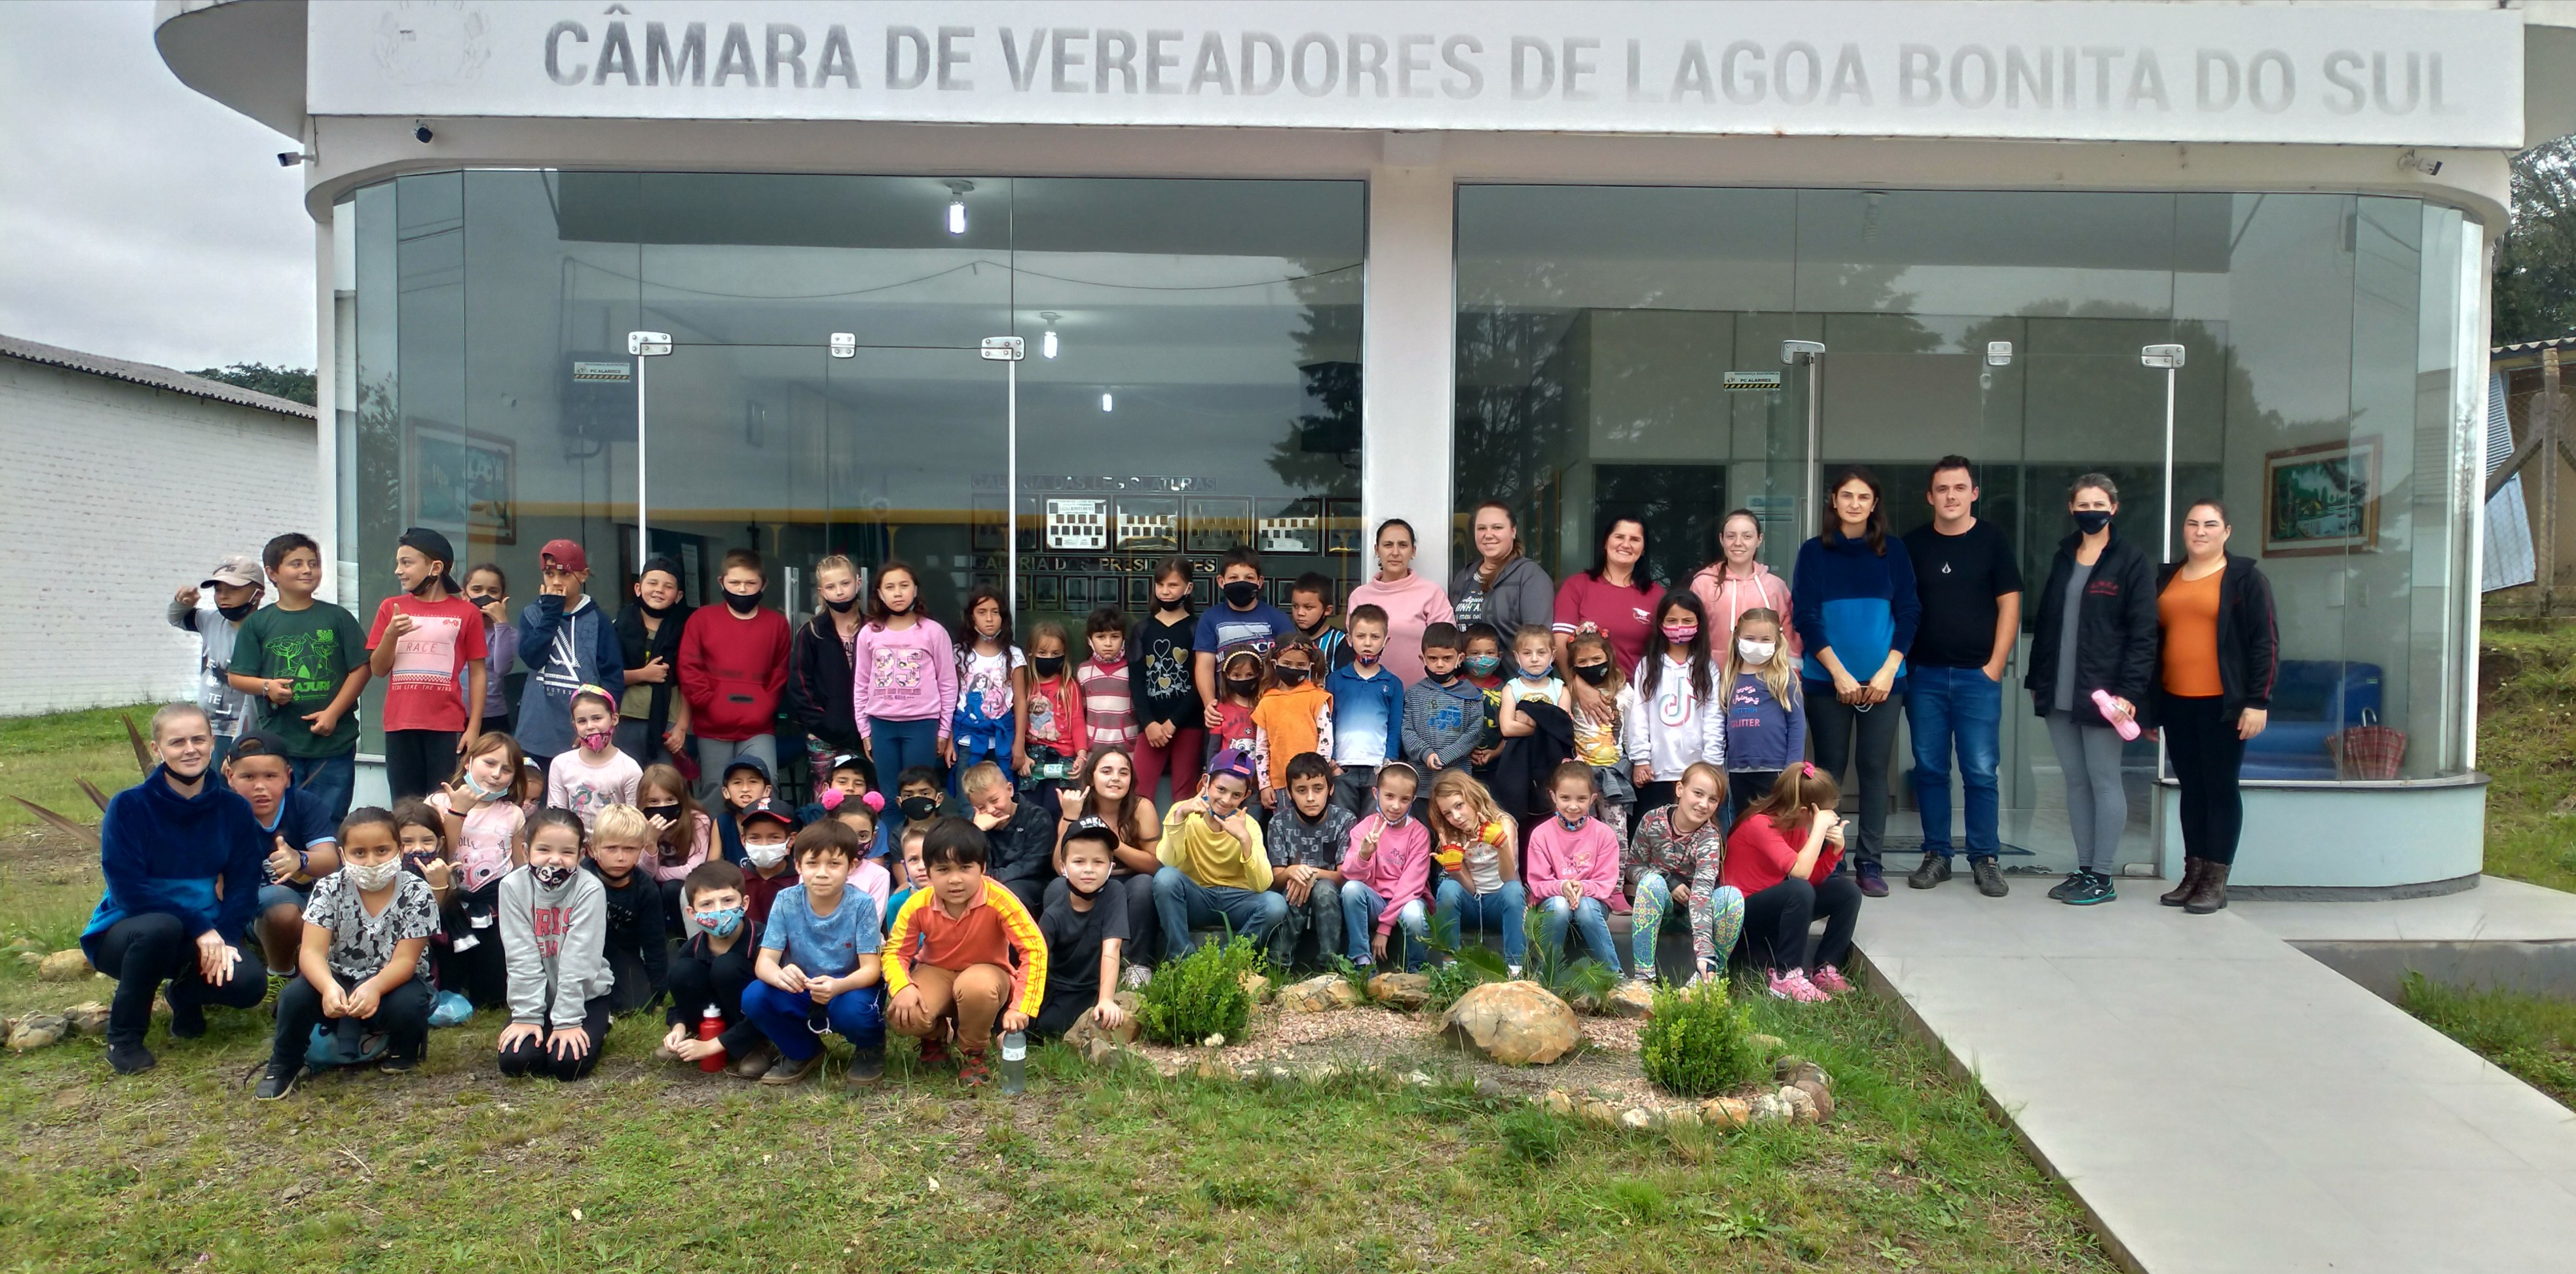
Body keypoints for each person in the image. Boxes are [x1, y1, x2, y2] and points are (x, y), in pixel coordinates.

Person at [81, 705, 269, 1076]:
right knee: (161, 927)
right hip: (129, 930)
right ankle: (125, 1037)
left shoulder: (233, 809)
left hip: (206, 935)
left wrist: (228, 937)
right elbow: (128, 890)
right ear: (157, 749)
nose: (190, 749)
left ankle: (183, 995)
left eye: (198, 739)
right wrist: (200, 926)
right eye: (177, 741)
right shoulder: (130, 806)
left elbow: (244, 882)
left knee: (249, 984)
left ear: (213, 743)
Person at [2023, 474, 2157, 907]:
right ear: (2071, 508)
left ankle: (2103, 874)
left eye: (2098, 503)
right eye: (2082, 504)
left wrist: (2130, 691)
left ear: (2114, 507)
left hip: (2105, 695)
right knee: (2075, 782)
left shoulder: (2131, 561)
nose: (2090, 511)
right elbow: (2046, 621)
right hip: (2058, 690)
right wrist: (2034, 680)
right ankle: (2082, 869)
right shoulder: (2064, 555)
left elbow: (2142, 634)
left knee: (2103, 780)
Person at [1793, 466, 1921, 898]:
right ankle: (1830, 860)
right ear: (1833, 500)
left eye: (1862, 496)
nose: (1853, 503)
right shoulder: (1814, 552)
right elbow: (1805, 617)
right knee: (1828, 773)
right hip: (1827, 680)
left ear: (1873, 503)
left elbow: (1909, 612)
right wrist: (1839, 673)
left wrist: (1886, 671)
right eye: (1846, 495)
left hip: (1885, 683)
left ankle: (1869, 861)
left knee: (1872, 770)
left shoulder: (1894, 551)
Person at [2148, 499, 2277, 915]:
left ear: (2227, 532)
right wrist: (2149, 707)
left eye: (2210, 524)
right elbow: (2152, 645)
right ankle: (2194, 875)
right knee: (2192, 790)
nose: (2200, 531)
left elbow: (2265, 644)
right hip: (2177, 702)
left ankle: (2216, 882)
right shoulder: (2167, 578)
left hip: (2224, 705)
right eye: (2192, 524)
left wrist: (2258, 702)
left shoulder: (2245, 580)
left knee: (2219, 789)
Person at [1902, 459, 2024, 898]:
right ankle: (1937, 854)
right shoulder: (1912, 544)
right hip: (1924, 676)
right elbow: (1900, 607)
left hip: (1977, 675)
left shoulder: (1992, 540)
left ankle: (1985, 858)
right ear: (1929, 496)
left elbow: (2010, 604)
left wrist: (1995, 664)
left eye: (1959, 487)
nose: (1950, 495)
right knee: (1930, 769)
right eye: (1941, 488)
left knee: (1979, 770)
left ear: (1974, 492)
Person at [257, 807, 440, 1098]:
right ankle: (284, 1063)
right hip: (338, 977)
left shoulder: (418, 892)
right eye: (359, 853)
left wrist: (374, 987)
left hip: (393, 982)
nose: (371, 862)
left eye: (382, 850)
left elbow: (406, 961)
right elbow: (311, 954)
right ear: (343, 856)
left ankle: (404, 1049)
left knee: (410, 1002)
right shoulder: (328, 888)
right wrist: (329, 987)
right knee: (294, 996)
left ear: (399, 849)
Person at [884, 816, 1049, 1088]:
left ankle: (973, 1052)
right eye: (943, 869)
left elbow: (1034, 948)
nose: (955, 879)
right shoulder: (916, 904)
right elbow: (894, 953)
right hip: (936, 972)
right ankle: (936, 1036)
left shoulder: (1000, 899)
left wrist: (1022, 1007)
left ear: (982, 868)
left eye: (965, 867)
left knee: (977, 987)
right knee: (902, 1014)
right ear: (929, 870)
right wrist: (902, 987)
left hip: (985, 977)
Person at [227, 532, 369, 823]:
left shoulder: (338, 618)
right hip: (280, 744)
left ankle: (323, 867)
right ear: (272, 573)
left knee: (329, 818)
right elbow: (238, 677)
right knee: (284, 819)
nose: (307, 570)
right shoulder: (258, 622)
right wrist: (267, 687)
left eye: (313, 564)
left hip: (335, 743)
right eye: (296, 564)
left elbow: (361, 669)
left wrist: (332, 713)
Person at [743, 820, 887, 1087]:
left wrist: (839, 985)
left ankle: (870, 1047)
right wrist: (780, 976)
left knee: (855, 1011)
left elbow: (871, 969)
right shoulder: (786, 900)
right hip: (804, 986)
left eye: (834, 864)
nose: (822, 873)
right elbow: (765, 963)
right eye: (812, 863)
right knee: (755, 995)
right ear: (798, 865)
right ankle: (804, 1051)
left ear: (851, 867)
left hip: (848, 987)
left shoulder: (862, 905)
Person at [366, 528, 489, 800]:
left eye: (407, 563)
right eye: (398, 563)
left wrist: (474, 727)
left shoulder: (466, 612)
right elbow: (378, 668)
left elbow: (479, 672)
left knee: (443, 801)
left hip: (446, 724)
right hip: (400, 722)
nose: (399, 570)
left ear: (436, 568)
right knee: (404, 803)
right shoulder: (391, 607)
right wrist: (391, 634)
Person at [1723, 764, 1863, 1002]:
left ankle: (1824, 969)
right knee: (1798, 890)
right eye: (1824, 816)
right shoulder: (1760, 825)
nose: (1829, 822)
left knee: (1847, 891)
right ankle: (1786, 976)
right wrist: (1819, 830)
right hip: (1741, 918)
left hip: (1773, 911)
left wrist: (1835, 851)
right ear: (1804, 811)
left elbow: (1810, 878)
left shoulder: (1795, 826)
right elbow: (1800, 874)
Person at [496, 808, 614, 1081]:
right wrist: (527, 1016)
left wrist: (568, 1021)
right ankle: (542, 1021)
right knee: (517, 1061)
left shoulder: (590, 889)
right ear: (526, 852)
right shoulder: (512, 887)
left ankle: (600, 1022)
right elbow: (520, 954)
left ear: (581, 856)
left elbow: (579, 959)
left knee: (567, 1065)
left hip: (585, 995)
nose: (555, 860)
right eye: (544, 849)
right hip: (539, 995)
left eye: (567, 852)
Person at [226, 729, 343, 975]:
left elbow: (330, 860)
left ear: (288, 777)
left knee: (290, 906)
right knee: (279, 904)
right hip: (246, 911)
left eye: (271, 776)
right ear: (230, 777)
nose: (260, 786)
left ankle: (293, 966)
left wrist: (299, 859)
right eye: (248, 777)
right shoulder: (221, 813)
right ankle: (279, 970)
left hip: (308, 906)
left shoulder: (305, 804)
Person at [1154, 749, 1290, 959]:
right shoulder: (1182, 811)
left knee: (1275, 904)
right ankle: (1181, 958)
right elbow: (1168, 862)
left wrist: (1244, 841)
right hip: (1197, 896)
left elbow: (1262, 885)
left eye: (1236, 795)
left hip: (1237, 901)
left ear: (1245, 796)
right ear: (1206, 782)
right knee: (1165, 879)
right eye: (1221, 789)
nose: (1226, 800)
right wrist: (1180, 818)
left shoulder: (1249, 825)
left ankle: (1227, 961)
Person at [680, 548, 792, 796]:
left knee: (765, 784)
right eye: (735, 582)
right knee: (714, 788)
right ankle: (715, 837)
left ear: (764, 585)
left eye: (750, 583)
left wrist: (763, 707)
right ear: (722, 582)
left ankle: (763, 836)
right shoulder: (702, 619)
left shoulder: (777, 624)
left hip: (758, 726)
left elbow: (780, 671)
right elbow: (689, 667)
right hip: (712, 725)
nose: (742, 589)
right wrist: (708, 703)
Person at [429, 732, 528, 1009]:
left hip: (491, 909)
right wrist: (458, 812)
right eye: (489, 762)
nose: (496, 774)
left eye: (506, 769)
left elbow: (521, 868)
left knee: (492, 997)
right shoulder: (438, 803)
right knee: (447, 985)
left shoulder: (513, 814)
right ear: (469, 761)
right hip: (446, 906)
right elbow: (440, 855)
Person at [1624, 763, 1745, 986]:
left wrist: (1704, 953)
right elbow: (1632, 867)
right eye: (1698, 793)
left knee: (1732, 898)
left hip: (1695, 917)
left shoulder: (1710, 837)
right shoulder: (1652, 821)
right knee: (1652, 883)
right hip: (1660, 911)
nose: (1703, 804)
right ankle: (1644, 979)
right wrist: (1667, 880)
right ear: (1680, 790)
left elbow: (1701, 895)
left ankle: (1705, 979)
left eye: (1712, 799)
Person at [513, 538, 626, 777]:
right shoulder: (533, 614)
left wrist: (596, 726)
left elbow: (612, 677)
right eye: (549, 573)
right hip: (537, 731)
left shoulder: (598, 621)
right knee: (537, 801)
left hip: (582, 732)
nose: (556, 582)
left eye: (565, 575)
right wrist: (551, 611)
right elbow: (533, 658)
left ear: (583, 576)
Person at [851, 559, 958, 800]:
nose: (897, 593)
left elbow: (948, 684)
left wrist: (943, 730)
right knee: (889, 795)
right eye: (889, 587)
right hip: (881, 724)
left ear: (915, 590)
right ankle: (893, 839)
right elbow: (861, 684)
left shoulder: (933, 632)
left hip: (922, 724)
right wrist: (865, 730)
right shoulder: (869, 633)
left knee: (919, 794)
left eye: (904, 585)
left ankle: (921, 839)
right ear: (879, 593)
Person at [1054, 747, 1163, 979]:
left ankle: (1139, 965)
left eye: (1124, 773)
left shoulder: (1141, 807)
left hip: (1129, 879)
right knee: (1055, 888)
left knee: (1144, 885)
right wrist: (1069, 818)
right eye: (1106, 771)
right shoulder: (1079, 805)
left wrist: (1111, 841)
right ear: (1091, 777)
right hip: (1088, 881)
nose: (1116, 778)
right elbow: (1058, 867)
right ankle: (1066, 965)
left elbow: (1155, 865)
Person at [660, 860, 773, 1079]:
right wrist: (678, 1027)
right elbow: (679, 1004)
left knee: (727, 967)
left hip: (758, 1021)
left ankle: (757, 1045)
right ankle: (701, 1039)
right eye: (707, 905)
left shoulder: (764, 940)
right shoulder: (691, 948)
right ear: (692, 913)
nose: (719, 910)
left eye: (728, 900)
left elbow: (771, 1002)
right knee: (682, 970)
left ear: (745, 903)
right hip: (714, 1019)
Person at [1553, 515, 1665, 728]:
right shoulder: (1578, 586)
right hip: (1582, 702)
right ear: (1606, 542)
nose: (1626, 544)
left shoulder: (1656, 595)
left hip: (1636, 703)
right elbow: (1559, 644)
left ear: (1643, 549)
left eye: (1635, 539)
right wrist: (1578, 687)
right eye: (1619, 536)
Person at [1623, 594, 1723, 829]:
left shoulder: (1707, 667)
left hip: (1696, 772)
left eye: (1688, 621)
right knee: (1653, 833)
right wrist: (1640, 759)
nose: (1680, 627)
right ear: (1660, 624)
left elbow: (1713, 718)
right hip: (1656, 772)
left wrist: (1711, 764)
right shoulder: (1649, 665)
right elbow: (1638, 715)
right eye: (1672, 620)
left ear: (1699, 624)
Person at [1034, 819, 1133, 1040]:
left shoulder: (1114, 892)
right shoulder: (1054, 915)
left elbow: (1112, 946)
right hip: (1060, 987)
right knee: (1044, 1026)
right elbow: (1035, 958)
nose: (1089, 870)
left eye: (1098, 862)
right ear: (1063, 867)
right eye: (1079, 861)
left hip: (1094, 986)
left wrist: (1106, 999)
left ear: (1111, 868)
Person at [1525, 760, 1626, 973]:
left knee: (1586, 907)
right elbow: (1538, 882)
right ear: (1553, 796)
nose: (1573, 806)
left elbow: (1606, 882)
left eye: (1581, 799)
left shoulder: (1604, 834)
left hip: (1593, 902)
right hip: (1553, 902)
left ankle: (1614, 976)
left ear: (1593, 799)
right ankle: (1545, 975)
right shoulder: (1541, 834)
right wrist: (1562, 887)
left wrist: (1584, 889)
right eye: (1565, 798)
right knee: (1560, 907)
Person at [169, 552, 265, 771]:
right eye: (219, 590)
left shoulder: (266, 628)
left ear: (257, 593)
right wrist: (181, 603)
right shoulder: (210, 620)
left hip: (244, 728)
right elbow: (175, 618)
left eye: (233, 589)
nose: (223, 596)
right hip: (207, 727)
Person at [1425, 770, 1525, 975]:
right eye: (1448, 813)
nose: (1457, 817)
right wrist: (1456, 871)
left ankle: (1515, 970)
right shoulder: (1451, 833)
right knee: (1448, 887)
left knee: (1514, 890)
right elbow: (1469, 888)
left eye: (1459, 805)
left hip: (1501, 902)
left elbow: (1508, 879)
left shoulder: (1503, 823)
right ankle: (1450, 968)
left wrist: (1502, 845)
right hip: (1473, 903)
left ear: (1473, 797)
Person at [1192, 545, 1297, 735]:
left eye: (1249, 578)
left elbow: (1291, 660)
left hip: (1270, 708)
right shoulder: (1211, 618)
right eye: (1234, 578)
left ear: (1260, 582)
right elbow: (1204, 666)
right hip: (1226, 712)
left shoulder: (1277, 618)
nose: (1241, 582)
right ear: (1221, 581)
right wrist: (1210, 705)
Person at [1337, 761, 1431, 970]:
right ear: (1375, 793)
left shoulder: (1419, 834)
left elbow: (1411, 886)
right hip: (1376, 901)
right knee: (1351, 890)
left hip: (1406, 902)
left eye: (1404, 799)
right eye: (1389, 796)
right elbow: (1350, 874)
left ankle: (1418, 970)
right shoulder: (1365, 828)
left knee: (1415, 914)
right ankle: (1362, 961)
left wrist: (1384, 928)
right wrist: (1364, 855)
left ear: (1413, 800)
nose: (1396, 806)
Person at [1263, 753, 1353, 969]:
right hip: (1291, 892)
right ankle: (1278, 965)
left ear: (1330, 789)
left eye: (1318, 789)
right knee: (1296, 885)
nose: (1311, 798)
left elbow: (1345, 876)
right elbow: (1275, 879)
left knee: (1323, 889)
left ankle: (1329, 965)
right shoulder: (1278, 824)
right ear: (1290, 793)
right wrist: (1293, 872)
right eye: (1302, 790)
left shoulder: (1345, 820)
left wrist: (1311, 874)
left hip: (1330, 893)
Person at [1128, 558, 1205, 806]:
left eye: (1173, 585)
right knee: (1138, 794)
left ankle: (1183, 845)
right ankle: (1140, 843)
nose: (1165, 591)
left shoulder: (1197, 628)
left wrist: (1173, 723)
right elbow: (1137, 682)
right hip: (1150, 726)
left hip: (1188, 723)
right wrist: (1149, 723)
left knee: (1185, 796)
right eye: (1160, 584)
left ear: (1189, 588)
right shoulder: (1142, 629)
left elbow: (1199, 683)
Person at [1720, 608, 1808, 814]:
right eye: (1750, 638)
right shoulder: (1729, 678)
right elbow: (1723, 725)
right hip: (1737, 769)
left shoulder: (1783, 678)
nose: (1757, 645)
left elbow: (1797, 723)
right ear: (1737, 638)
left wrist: (1792, 767)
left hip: (1774, 769)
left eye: (1765, 639)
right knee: (1743, 823)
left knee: (1774, 823)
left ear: (1777, 641)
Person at [1347, 518, 1455, 685]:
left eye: (1403, 545)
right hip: (1371, 696)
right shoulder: (1359, 597)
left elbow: (1447, 647)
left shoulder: (1432, 593)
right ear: (1377, 550)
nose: (1395, 552)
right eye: (1388, 545)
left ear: (1413, 551)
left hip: (1423, 698)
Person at [583, 804, 669, 1013]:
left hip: (622, 952)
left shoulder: (645, 889)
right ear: (594, 849)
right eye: (611, 848)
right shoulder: (580, 879)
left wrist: (658, 990)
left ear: (640, 850)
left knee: (636, 1007)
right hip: (581, 951)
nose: (621, 857)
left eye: (629, 849)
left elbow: (654, 943)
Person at [789, 553, 864, 791]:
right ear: (822, 591)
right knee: (826, 797)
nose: (840, 591)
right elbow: (800, 684)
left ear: (858, 583)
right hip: (824, 736)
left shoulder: (874, 628)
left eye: (845, 583)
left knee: (865, 795)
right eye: (831, 587)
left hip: (868, 735)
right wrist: (823, 722)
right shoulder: (811, 632)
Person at [1687, 509, 1801, 663]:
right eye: (1731, 536)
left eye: (1747, 536)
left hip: (1764, 681)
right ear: (1721, 540)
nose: (1738, 542)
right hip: (1713, 679)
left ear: (1759, 540)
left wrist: (1790, 679)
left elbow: (1790, 642)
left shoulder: (1775, 587)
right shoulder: (1703, 584)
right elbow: (1692, 636)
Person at [1324, 604, 1407, 815]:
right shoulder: (1335, 680)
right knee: (1343, 827)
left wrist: (1388, 762)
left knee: (1374, 830)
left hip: (1378, 770)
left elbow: (1395, 728)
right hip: (1342, 768)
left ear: (1386, 641)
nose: (1368, 643)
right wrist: (1332, 761)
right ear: (1350, 640)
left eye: (1375, 637)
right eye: (1361, 636)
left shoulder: (1394, 683)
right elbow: (1328, 723)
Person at [612, 556, 691, 770]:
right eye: (652, 583)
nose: (659, 590)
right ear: (638, 588)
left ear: (678, 595)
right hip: (623, 719)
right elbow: (606, 677)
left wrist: (682, 727)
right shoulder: (618, 627)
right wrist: (643, 674)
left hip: (668, 722)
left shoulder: (687, 631)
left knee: (665, 786)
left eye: (668, 586)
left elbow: (690, 684)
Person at [950, 584, 1028, 802]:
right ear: (971, 617)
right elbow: (952, 697)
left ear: (1003, 617)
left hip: (1002, 741)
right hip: (967, 739)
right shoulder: (960, 654)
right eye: (982, 612)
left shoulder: (1014, 654)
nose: (990, 619)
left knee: (1002, 799)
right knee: (968, 800)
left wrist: (1019, 743)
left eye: (995, 612)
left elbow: (1021, 700)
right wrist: (949, 740)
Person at [1565, 631, 1638, 837]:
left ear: (1609, 658)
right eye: (1583, 661)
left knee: (1617, 833)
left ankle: (1616, 870)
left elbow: (1629, 734)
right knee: (1582, 832)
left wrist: (1636, 762)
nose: (1590, 665)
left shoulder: (1625, 692)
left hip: (1613, 774)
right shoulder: (1570, 692)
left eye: (1597, 659)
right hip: (1581, 775)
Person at [963, 760, 1059, 914]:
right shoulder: (976, 826)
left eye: (995, 800)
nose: (991, 809)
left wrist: (993, 878)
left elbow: (1035, 863)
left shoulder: (1037, 817)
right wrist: (978, 833)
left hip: (1032, 883)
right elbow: (973, 865)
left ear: (1010, 789)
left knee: (1008, 894)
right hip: (989, 883)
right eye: (981, 807)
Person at [1250, 641, 1332, 817]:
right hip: (1280, 784)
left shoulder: (1317, 697)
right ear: (1274, 664)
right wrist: (1265, 785)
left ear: (1309, 666)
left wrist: (1320, 775)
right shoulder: (1267, 701)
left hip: (1313, 782)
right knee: (1284, 830)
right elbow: (1262, 747)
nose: (1293, 668)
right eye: (1287, 664)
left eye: (1300, 665)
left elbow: (1326, 739)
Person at [1448, 500, 1554, 635]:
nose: (1488, 535)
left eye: (1497, 528)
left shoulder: (1530, 576)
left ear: (1513, 531)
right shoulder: (1464, 577)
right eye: (1481, 528)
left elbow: (1537, 640)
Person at [546, 686, 642, 829]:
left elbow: (634, 823)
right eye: (582, 721)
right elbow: (556, 819)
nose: (590, 726)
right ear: (575, 726)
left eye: (597, 718)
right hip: (573, 847)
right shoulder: (561, 764)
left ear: (614, 719)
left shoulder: (630, 769)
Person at [1402, 622, 1484, 781]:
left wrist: (1445, 756)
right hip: (1421, 781)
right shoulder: (1414, 694)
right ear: (1423, 658)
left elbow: (1475, 733)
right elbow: (1407, 731)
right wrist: (1426, 754)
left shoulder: (1471, 694)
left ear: (1460, 659)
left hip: (1457, 779)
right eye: (1433, 658)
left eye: (1447, 658)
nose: (1440, 664)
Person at [637, 762, 713, 930]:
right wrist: (651, 842)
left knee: (673, 889)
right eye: (654, 802)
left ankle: (682, 939)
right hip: (653, 884)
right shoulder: (639, 823)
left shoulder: (698, 821)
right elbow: (643, 874)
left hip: (685, 884)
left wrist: (658, 873)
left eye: (670, 800)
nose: (663, 807)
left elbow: (692, 870)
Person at [463, 565, 520, 735]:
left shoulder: (509, 633)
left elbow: (502, 668)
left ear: (502, 597)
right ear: (464, 595)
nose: (484, 596)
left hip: (493, 715)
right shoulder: (455, 628)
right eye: (477, 589)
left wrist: (501, 623)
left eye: (492, 591)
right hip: (456, 713)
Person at [1077, 607, 1138, 753]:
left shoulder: (1133, 670)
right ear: (1089, 640)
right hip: (1094, 750)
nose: (1108, 643)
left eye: (1115, 636)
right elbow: (1080, 713)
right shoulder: (1083, 671)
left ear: (1124, 639)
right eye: (1101, 637)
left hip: (1128, 749)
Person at [734, 797, 803, 926]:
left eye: (774, 837)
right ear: (744, 840)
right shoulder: (735, 881)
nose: (764, 845)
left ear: (791, 839)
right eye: (755, 838)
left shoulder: (802, 881)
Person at [1459, 623, 1508, 778]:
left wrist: (1497, 752)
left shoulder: (1506, 689)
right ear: (1463, 656)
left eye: (1489, 653)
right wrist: (1464, 751)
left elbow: (1510, 731)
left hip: (1497, 767)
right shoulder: (1455, 687)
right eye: (1475, 653)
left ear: (1499, 656)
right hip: (1461, 768)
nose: (1483, 658)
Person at [712, 755, 776, 866]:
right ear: (726, 792)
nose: (745, 789)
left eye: (753, 782)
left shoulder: (778, 819)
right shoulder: (723, 822)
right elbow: (711, 868)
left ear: (767, 791)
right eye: (737, 782)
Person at [1287, 572, 1353, 675]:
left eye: (1308, 607)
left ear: (1327, 610)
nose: (1300, 613)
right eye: (1295, 606)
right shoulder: (1287, 639)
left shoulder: (1340, 642)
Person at [1208, 648, 1264, 764]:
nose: (1243, 680)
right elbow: (1214, 748)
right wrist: (1212, 774)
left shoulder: (1265, 705)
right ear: (1227, 676)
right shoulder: (1219, 710)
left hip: (1260, 777)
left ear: (1259, 675)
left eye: (1249, 675)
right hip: (1230, 776)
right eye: (1236, 675)